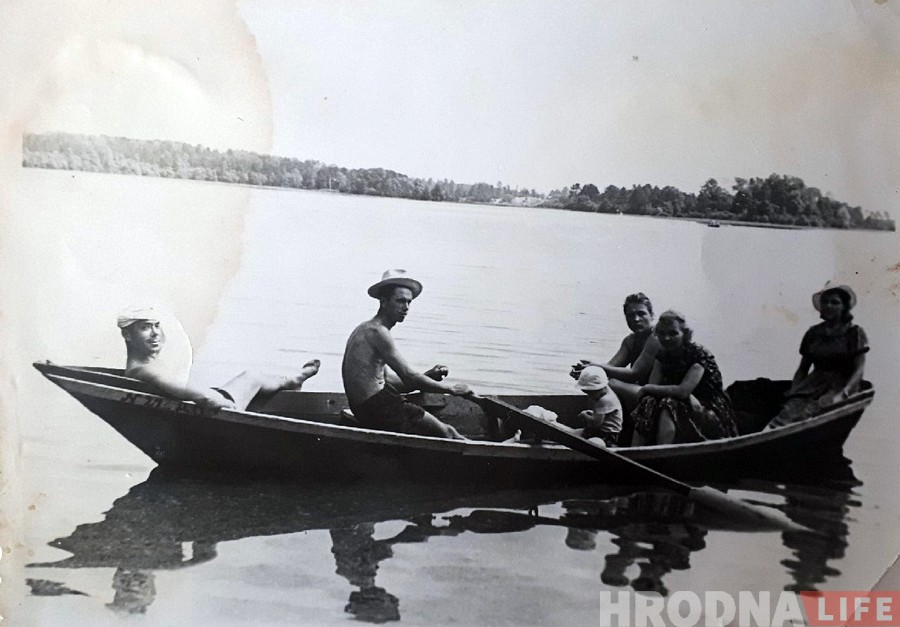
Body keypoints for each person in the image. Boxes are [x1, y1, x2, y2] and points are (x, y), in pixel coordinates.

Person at [341, 269, 474, 439]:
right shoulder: (378, 332)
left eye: (409, 302)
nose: (406, 308)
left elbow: (389, 380)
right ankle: (496, 451)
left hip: (364, 408)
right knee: (448, 432)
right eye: (400, 301)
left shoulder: (365, 329)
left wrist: (429, 376)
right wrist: (451, 389)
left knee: (437, 428)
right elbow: (409, 376)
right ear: (383, 302)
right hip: (378, 407)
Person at [119, 305, 320, 411]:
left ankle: (290, 382)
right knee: (252, 377)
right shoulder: (149, 370)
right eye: (145, 328)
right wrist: (227, 405)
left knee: (252, 378)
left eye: (156, 325)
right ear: (127, 335)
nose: (155, 333)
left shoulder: (144, 366)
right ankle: (292, 381)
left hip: (205, 409)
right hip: (221, 413)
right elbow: (204, 398)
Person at [766, 282, 868, 430]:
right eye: (825, 302)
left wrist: (844, 394)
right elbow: (803, 368)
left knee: (814, 415)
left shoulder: (854, 333)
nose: (829, 306)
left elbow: (859, 369)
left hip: (840, 385)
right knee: (785, 416)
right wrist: (794, 392)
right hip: (812, 384)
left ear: (844, 307)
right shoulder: (813, 333)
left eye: (835, 302)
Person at [630, 310, 738, 446]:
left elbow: (683, 391)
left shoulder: (698, 354)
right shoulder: (662, 354)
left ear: (685, 334)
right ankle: (636, 451)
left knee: (668, 403)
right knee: (649, 401)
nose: (666, 338)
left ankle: (662, 453)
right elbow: (654, 385)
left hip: (709, 409)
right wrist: (650, 389)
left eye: (673, 333)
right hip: (685, 403)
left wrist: (649, 388)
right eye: (662, 333)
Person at [571, 293, 661, 413]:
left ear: (652, 315)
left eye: (641, 313)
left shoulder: (657, 337)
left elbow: (635, 373)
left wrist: (596, 366)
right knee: (597, 383)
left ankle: (601, 424)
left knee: (610, 384)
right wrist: (587, 372)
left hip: (658, 394)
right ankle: (598, 423)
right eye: (631, 315)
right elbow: (610, 368)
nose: (636, 319)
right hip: (642, 391)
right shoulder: (630, 341)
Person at [574, 366, 624, 447]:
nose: (590, 397)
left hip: (606, 435)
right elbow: (602, 415)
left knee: (593, 443)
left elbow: (595, 423)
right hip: (598, 431)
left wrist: (584, 416)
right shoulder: (605, 391)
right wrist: (592, 413)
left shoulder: (604, 400)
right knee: (574, 434)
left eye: (591, 393)